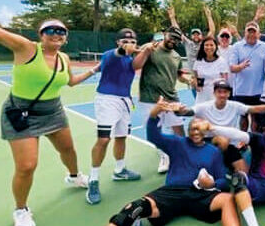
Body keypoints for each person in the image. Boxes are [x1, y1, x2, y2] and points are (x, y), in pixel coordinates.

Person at [29, 99, 265, 226]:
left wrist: (212, 183)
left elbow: (223, 181)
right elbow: (153, 133)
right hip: (170, 194)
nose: (196, 131)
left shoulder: (214, 152)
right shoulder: (176, 143)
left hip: (200, 196)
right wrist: (154, 114)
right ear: (188, 129)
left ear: (207, 132)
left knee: (226, 198)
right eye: (192, 128)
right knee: (133, 208)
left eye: (201, 129)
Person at [0, 11, 98, 226]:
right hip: (21, 112)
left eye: (61, 31)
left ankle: (74, 177)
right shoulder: (26, 48)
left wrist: (95, 69)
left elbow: (72, 82)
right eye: (51, 30)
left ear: (66, 37)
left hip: (53, 111)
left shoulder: (63, 59)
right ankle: (21, 209)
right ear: (41, 35)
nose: (56, 34)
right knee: (26, 166)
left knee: (68, 150)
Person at [86, 28, 153, 205]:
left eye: (132, 41)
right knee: (103, 140)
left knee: (122, 136)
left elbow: (137, 65)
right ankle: (93, 180)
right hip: (107, 100)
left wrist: (146, 50)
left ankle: (120, 170)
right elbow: (119, 53)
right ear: (118, 42)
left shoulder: (131, 59)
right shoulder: (110, 54)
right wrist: (131, 49)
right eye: (125, 41)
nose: (129, 43)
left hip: (125, 100)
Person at [189, 79, 265, 172]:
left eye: (225, 92)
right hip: (210, 142)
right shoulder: (204, 107)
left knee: (244, 171)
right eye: (219, 92)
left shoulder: (234, 105)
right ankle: (216, 168)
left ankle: (229, 170)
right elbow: (189, 111)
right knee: (222, 140)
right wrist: (179, 110)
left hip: (230, 143)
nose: (222, 95)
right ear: (214, 93)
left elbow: (253, 109)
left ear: (229, 94)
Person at [139, 26, 191, 174]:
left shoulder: (176, 57)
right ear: (164, 35)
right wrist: (144, 51)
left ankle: (182, 156)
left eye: (176, 39)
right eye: (171, 37)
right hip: (150, 99)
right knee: (155, 130)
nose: (173, 40)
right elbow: (136, 64)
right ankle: (164, 156)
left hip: (171, 98)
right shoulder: (151, 48)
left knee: (179, 128)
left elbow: (179, 75)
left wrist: (188, 81)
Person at [229, 21, 265, 131]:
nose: (251, 34)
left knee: (255, 118)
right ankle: (243, 141)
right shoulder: (236, 47)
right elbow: (232, 68)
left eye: (254, 32)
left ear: (258, 34)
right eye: (249, 31)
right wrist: (241, 66)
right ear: (244, 32)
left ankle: (253, 142)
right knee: (243, 117)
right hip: (241, 90)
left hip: (258, 90)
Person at [192, 36, 229, 104]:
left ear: (216, 46)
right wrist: (196, 83)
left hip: (216, 98)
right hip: (201, 97)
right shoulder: (198, 61)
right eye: (206, 45)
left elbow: (225, 81)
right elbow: (195, 77)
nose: (209, 47)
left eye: (211, 45)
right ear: (203, 47)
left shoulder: (221, 61)